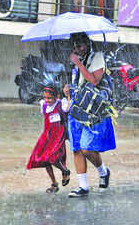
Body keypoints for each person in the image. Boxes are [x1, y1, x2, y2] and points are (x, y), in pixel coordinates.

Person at [67, 32, 116, 198]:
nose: (77, 50)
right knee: (76, 148)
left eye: (80, 46)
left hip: (92, 110)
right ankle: (83, 186)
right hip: (76, 107)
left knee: (87, 148)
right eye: (74, 47)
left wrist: (79, 64)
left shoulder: (97, 57)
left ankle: (103, 172)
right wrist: (68, 89)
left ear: (87, 44)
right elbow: (79, 83)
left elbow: (94, 80)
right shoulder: (77, 61)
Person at [26, 86, 71, 194]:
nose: (47, 100)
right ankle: (54, 183)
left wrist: (68, 96)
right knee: (44, 159)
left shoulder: (61, 104)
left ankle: (65, 171)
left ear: (57, 96)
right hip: (47, 136)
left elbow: (68, 109)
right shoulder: (44, 105)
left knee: (52, 157)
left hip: (58, 137)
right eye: (45, 97)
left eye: (50, 98)